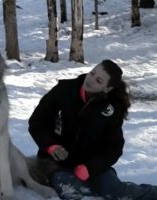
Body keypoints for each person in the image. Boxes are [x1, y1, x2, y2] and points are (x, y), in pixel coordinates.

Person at [28, 59, 157, 200]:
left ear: (107, 89)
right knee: (74, 194)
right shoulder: (64, 90)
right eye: (92, 73)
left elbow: (114, 147)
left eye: (99, 80)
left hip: (91, 165)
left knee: (116, 192)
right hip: (56, 164)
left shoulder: (112, 108)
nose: (90, 79)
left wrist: (91, 168)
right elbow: (37, 122)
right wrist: (51, 146)